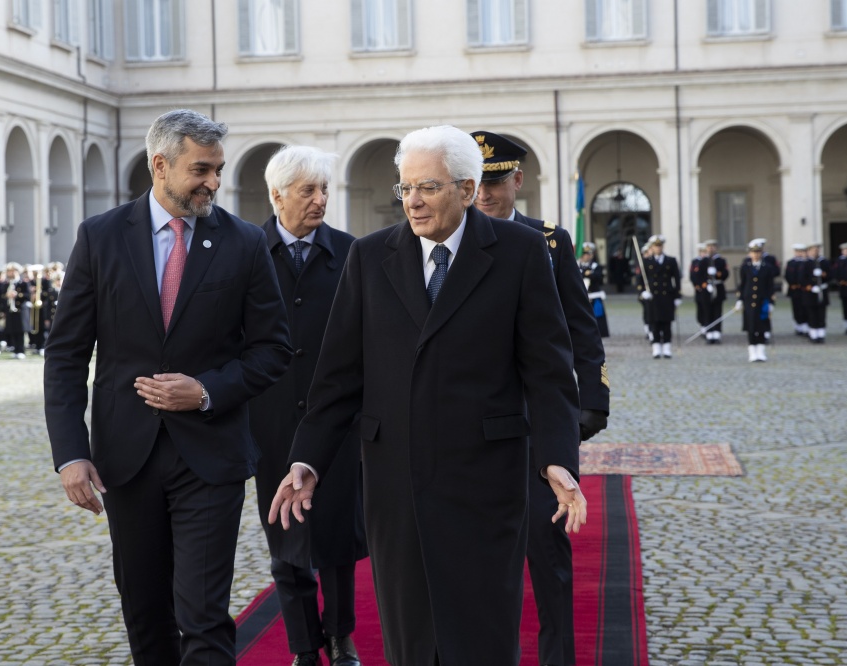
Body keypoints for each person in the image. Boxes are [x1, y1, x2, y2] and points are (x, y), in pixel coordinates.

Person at [269, 125, 587, 666]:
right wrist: (308, 458)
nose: (412, 201)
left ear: (467, 189)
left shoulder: (521, 252)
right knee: (411, 637)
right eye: (405, 188)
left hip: (486, 479)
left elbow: (549, 370)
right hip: (395, 481)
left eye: (429, 188)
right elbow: (339, 377)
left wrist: (557, 458)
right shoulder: (369, 258)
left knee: (481, 633)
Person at [44, 108, 293, 666]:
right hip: (125, 460)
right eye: (201, 169)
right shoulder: (101, 236)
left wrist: (205, 391)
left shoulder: (245, 242)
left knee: (203, 614)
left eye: (218, 169)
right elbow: (65, 355)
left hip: (211, 457)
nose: (213, 182)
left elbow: (274, 350)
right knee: (145, 610)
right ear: (160, 165)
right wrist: (70, 455)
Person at [470, 130, 609, 666]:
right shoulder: (446, 242)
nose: (485, 193)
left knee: (546, 547)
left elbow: (580, 325)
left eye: (496, 181)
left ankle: (558, 656)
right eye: (477, 183)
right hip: (475, 415)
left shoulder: (549, 241)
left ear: (517, 181)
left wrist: (592, 398)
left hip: (534, 415)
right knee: (479, 550)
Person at [251, 145, 366, 666]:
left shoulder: (352, 254)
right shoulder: (247, 252)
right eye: (308, 191)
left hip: (338, 420)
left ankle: (341, 638)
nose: (320, 200)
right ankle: (303, 645)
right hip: (271, 420)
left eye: (324, 189)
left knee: (338, 536)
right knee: (285, 538)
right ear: (277, 196)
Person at [637, 235, 681, 358]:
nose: (658, 248)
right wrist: (642, 292)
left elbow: (676, 279)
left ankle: (667, 347)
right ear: (652, 247)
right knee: (654, 323)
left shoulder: (670, 261)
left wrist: (677, 296)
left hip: (667, 296)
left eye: (660, 246)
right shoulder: (646, 261)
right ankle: (656, 347)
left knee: (666, 323)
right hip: (653, 297)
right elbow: (640, 280)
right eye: (656, 246)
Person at [736, 239, 777, 362]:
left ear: (761, 253)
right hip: (749, 301)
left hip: (762, 301)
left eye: (758, 252)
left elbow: (770, 286)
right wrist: (739, 300)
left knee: (762, 327)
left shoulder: (767, 267)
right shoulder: (745, 267)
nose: (756, 255)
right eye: (753, 252)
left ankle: (761, 351)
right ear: (750, 253)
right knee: (751, 327)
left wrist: (771, 302)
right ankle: (752, 352)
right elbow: (742, 285)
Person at [801, 242, 829, 343]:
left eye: (817, 250)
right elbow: (801, 278)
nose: (815, 252)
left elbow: (831, 275)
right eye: (813, 250)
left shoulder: (824, 262)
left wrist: (824, 274)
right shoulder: (805, 263)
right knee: (812, 313)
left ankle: (821, 333)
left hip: (822, 290)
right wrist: (810, 287)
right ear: (809, 252)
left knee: (821, 313)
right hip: (810, 292)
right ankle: (813, 334)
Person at [784, 243, 808, 337]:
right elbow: (787, 275)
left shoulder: (805, 262)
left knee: (805, 308)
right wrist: (792, 284)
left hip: (803, 289)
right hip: (794, 289)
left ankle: (805, 327)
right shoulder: (791, 262)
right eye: (797, 251)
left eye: (801, 251)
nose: (799, 253)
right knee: (796, 308)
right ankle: (798, 326)